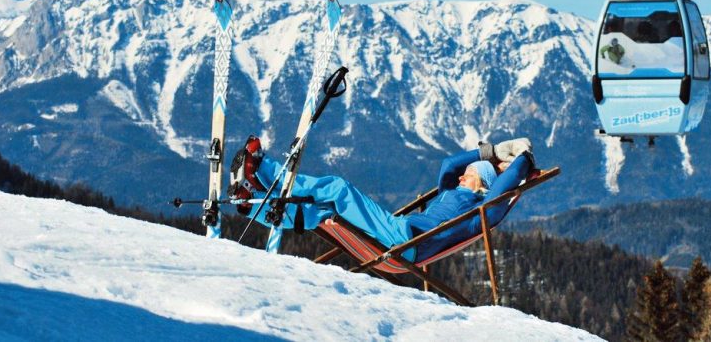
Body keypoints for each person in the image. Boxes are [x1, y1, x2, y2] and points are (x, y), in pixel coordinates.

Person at [228, 137, 537, 263]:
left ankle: (268, 172)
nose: (459, 178)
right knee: (321, 210)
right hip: (400, 234)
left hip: (407, 241)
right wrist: (491, 152)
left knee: (338, 189)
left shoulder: (480, 210)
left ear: (482, 184)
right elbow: (448, 166)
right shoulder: (451, 193)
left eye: (468, 176)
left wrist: (523, 157)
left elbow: (506, 186)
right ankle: (253, 204)